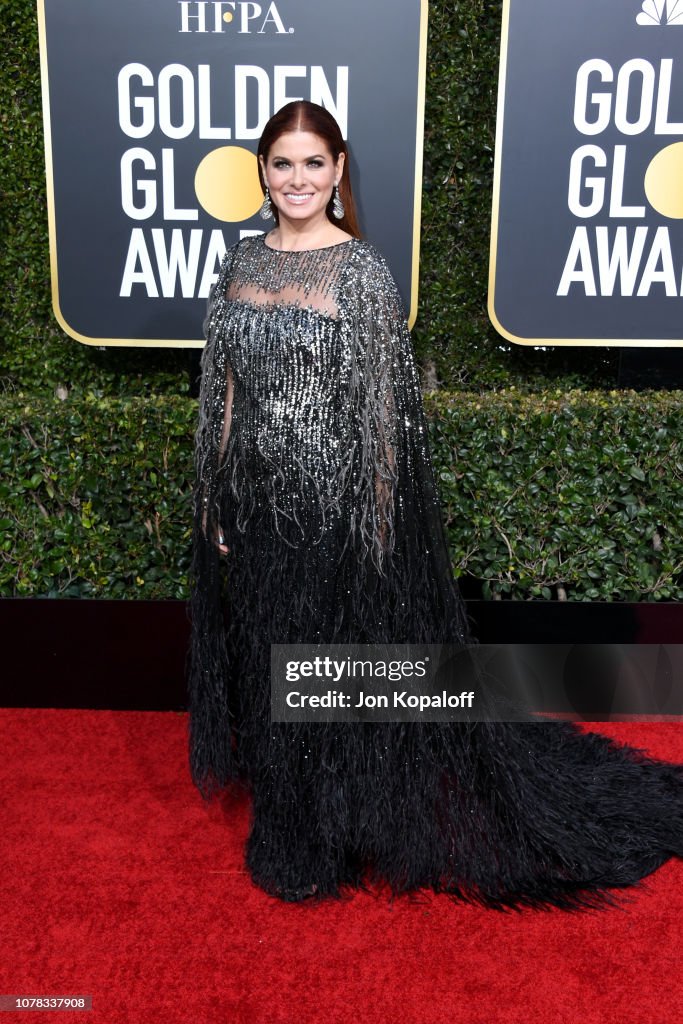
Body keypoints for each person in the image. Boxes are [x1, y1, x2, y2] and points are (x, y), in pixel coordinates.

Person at [188, 100, 683, 908]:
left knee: (319, 674)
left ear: (339, 170)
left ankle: (329, 828)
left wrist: (374, 529)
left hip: (331, 515)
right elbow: (228, 392)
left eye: (314, 163)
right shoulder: (239, 263)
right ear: (262, 171)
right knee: (261, 662)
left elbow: (383, 417)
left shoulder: (360, 271)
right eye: (283, 163)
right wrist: (214, 500)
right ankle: (284, 820)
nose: (298, 179)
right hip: (253, 506)